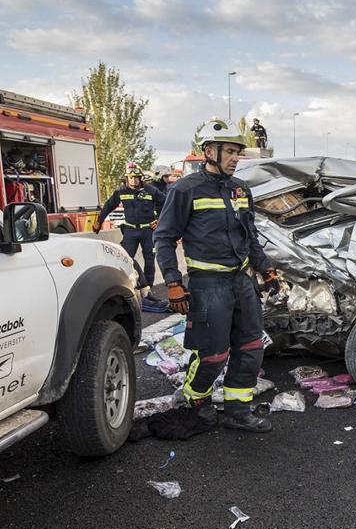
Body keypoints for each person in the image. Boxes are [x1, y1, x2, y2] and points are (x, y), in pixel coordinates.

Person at [155, 120, 280, 433]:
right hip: (208, 284)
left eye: (238, 152)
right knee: (213, 354)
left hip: (241, 281)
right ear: (209, 151)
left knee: (251, 347)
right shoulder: (184, 189)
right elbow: (165, 238)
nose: (235, 157)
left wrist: (266, 269)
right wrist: (173, 283)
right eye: (230, 151)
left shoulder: (240, 189)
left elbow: (249, 234)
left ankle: (238, 410)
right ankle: (197, 402)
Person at [95, 163, 165, 300]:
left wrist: (159, 219)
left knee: (149, 261)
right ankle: (128, 287)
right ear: (127, 178)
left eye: (136, 177)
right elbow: (109, 206)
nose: (133, 180)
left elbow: (165, 202)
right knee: (125, 259)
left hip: (148, 231)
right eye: (130, 178)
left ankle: (148, 292)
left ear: (140, 178)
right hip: (130, 232)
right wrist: (99, 221)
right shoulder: (121, 191)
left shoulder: (150, 190)